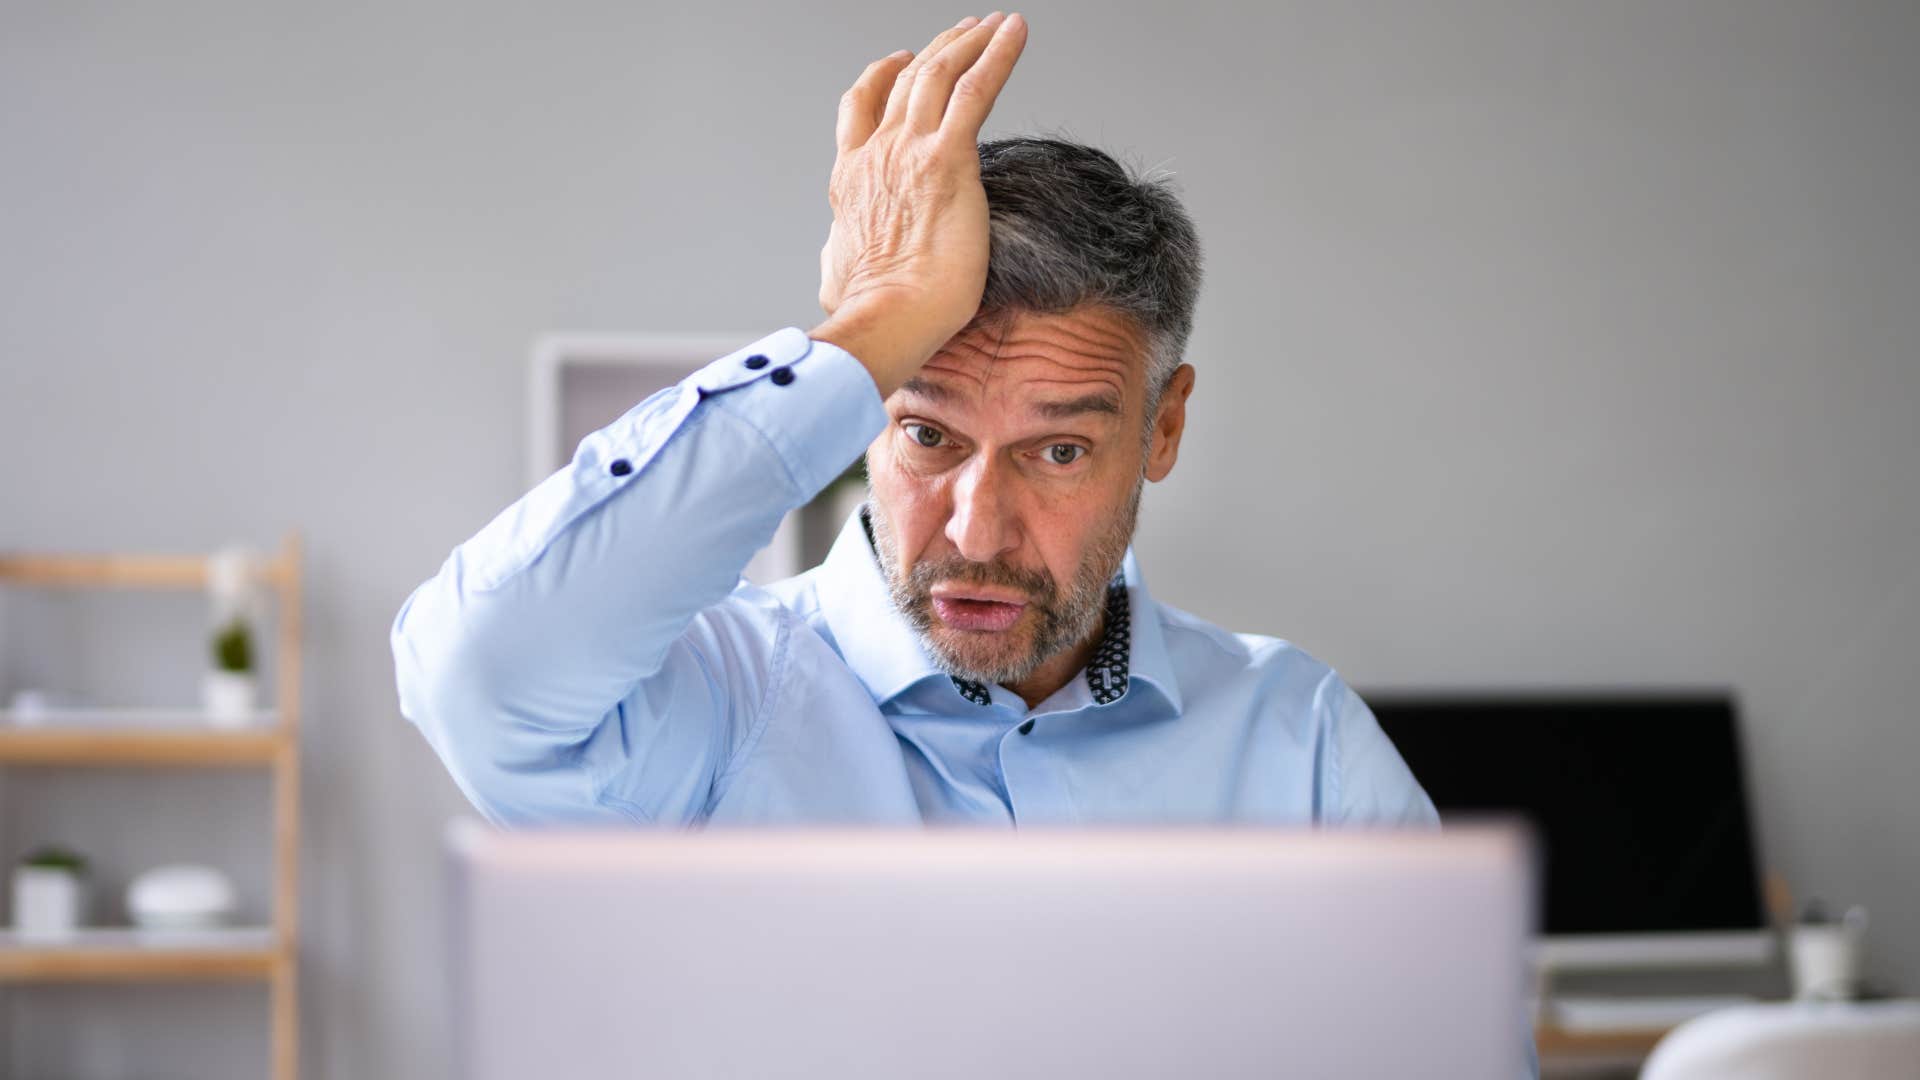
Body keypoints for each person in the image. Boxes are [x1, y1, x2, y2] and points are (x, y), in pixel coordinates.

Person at [391, 11, 1438, 832]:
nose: (978, 535)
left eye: (1060, 451)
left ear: (1162, 431)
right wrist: (871, 323)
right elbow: (479, 679)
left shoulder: (1300, 743)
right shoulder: (713, 707)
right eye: (928, 435)